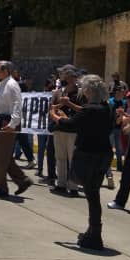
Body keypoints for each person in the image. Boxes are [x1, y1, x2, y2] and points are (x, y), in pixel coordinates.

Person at [50, 74, 114, 250]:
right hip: (103, 154)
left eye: (83, 88)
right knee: (93, 194)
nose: (82, 91)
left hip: (89, 154)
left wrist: (55, 115)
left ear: (88, 90)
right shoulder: (106, 108)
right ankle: (93, 232)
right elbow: (87, 114)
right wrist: (71, 106)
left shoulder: (90, 110)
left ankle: (94, 235)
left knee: (91, 194)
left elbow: (70, 124)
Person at [0, 61, 33, 198]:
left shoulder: (12, 85)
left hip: (6, 127)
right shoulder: (2, 84)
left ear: (5, 70)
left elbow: (17, 106)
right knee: (4, 157)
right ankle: (23, 180)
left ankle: (1, 188)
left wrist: (12, 124)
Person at [49, 65, 82, 197]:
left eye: (72, 77)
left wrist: (69, 105)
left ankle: (73, 186)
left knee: (73, 158)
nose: (69, 80)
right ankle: (61, 183)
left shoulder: (80, 93)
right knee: (60, 157)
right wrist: (61, 106)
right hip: (60, 128)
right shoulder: (58, 92)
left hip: (74, 129)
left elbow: (83, 110)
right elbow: (51, 109)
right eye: (67, 77)